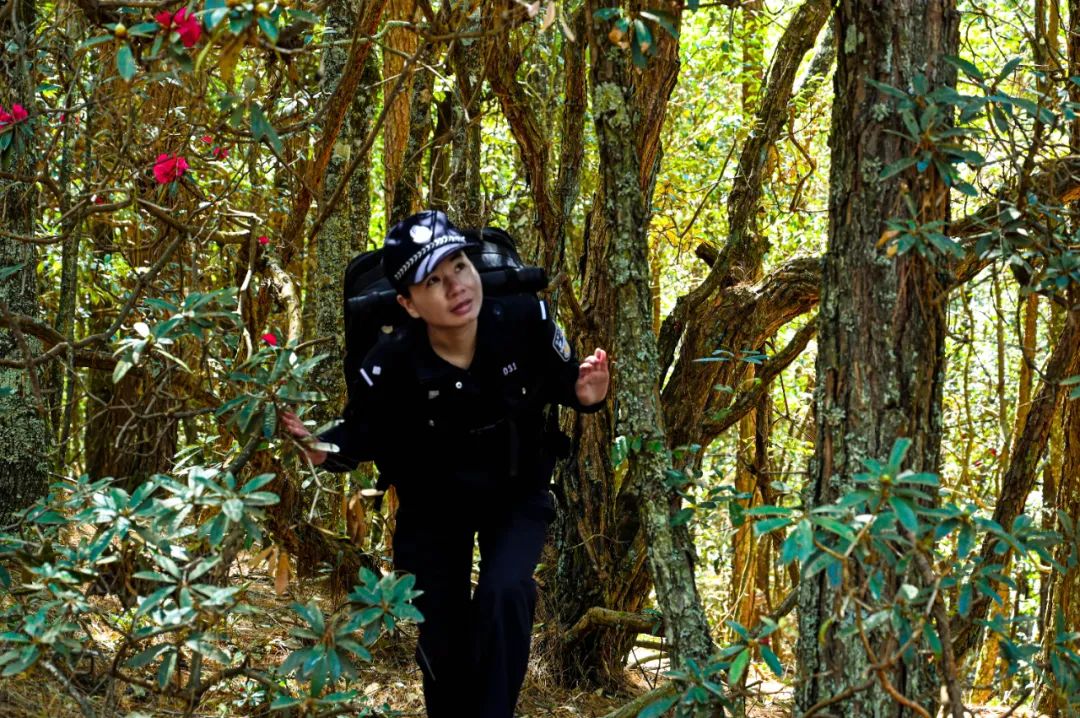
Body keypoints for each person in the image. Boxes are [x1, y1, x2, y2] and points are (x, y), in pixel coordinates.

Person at [280, 209, 609, 718]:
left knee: (506, 592)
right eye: (432, 280)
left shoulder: (524, 319)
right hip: (432, 502)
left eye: (458, 265)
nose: (455, 285)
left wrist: (586, 393)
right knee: (442, 624)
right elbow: (361, 433)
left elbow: (560, 382)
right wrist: (320, 447)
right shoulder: (388, 363)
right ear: (409, 304)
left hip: (515, 488)